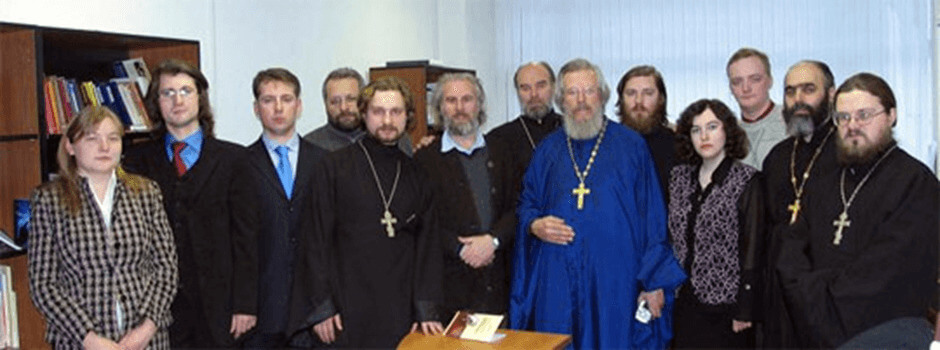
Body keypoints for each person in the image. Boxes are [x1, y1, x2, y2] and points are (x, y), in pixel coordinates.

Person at [509, 58, 686, 349]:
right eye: (572, 93)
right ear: (561, 100)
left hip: (616, 281)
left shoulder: (631, 146)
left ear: (602, 96)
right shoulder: (548, 150)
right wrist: (534, 224)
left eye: (589, 91)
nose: (581, 101)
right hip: (558, 281)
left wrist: (654, 279)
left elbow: (652, 217)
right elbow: (527, 203)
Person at [777, 72, 939, 347]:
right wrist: (812, 296)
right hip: (817, 329)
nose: (852, 125)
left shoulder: (915, 181)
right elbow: (793, 248)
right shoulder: (823, 179)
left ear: (891, 115)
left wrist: (822, 296)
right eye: (843, 117)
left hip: (885, 329)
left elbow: (893, 266)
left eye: (864, 115)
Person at [292, 76, 443, 348]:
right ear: (364, 114)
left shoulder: (417, 175)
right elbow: (314, 241)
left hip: (400, 311)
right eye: (378, 111)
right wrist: (322, 307)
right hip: (344, 311)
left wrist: (425, 308)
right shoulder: (333, 167)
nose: (387, 120)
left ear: (407, 116)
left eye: (395, 112)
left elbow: (427, 246)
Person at [124, 59, 259, 347]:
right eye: (167, 93)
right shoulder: (135, 161)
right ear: (156, 102)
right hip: (156, 308)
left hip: (220, 306)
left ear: (200, 98)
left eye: (186, 91)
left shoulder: (235, 160)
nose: (177, 100)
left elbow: (247, 237)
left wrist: (245, 303)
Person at [28, 106, 178, 349]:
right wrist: (91, 339)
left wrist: (147, 327)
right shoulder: (49, 200)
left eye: (113, 138)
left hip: (146, 340)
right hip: (79, 341)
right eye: (92, 138)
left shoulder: (146, 192)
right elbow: (44, 285)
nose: (104, 147)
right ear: (70, 146)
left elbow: (166, 267)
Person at [414, 73, 518, 320]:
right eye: (451, 100)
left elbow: (518, 206)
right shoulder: (423, 160)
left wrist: (492, 241)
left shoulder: (503, 152)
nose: (459, 108)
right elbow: (422, 222)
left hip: (500, 286)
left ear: (479, 104)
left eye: (467, 99)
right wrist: (460, 248)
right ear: (439, 107)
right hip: (450, 291)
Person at [668, 99, 763, 348]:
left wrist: (746, 307)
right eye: (696, 129)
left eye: (712, 126)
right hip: (682, 300)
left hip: (726, 306)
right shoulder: (679, 178)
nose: (704, 136)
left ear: (727, 131)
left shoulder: (746, 180)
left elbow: (753, 247)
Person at [245, 68, 327, 347]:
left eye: (286, 99)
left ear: (299, 105)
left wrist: (329, 305)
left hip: (315, 313)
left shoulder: (326, 163)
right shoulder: (240, 164)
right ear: (257, 109)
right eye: (268, 100)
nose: (278, 108)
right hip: (262, 312)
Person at [760, 60, 838, 348]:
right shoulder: (778, 157)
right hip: (780, 290)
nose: (798, 100)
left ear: (831, 94)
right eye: (790, 91)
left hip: (827, 289)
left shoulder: (847, 151)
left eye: (808, 89)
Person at [302, 67, 413, 155]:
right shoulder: (309, 146)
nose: (343, 107)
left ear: (363, 101)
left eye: (351, 99)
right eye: (335, 101)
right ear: (325, 104)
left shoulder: (394, 138)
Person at [615, 65, 676, 199]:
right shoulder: (606, 145)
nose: (638, 101)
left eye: (648, 93)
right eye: (631, 93)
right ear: (621, 99)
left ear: (661, 99)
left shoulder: (679, 145)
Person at [487, 61, 562, 168]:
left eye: (541, 86)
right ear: (517, 92)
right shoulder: (498, 139)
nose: (534, 94)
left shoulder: (572, 130)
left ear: (554, 87)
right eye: (525, 88)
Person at [727, 47, 787, 169]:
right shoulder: (727, 135)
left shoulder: (792, 122)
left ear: (770, 81)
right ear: (730, 88)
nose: (746, 88)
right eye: (737, 81)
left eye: (755, 79)